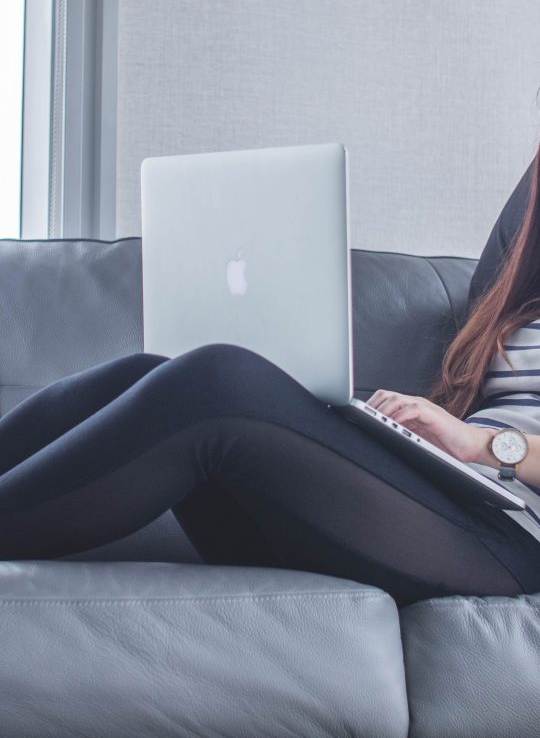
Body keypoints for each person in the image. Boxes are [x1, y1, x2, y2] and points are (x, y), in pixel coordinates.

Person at [2, 155, 540, 608]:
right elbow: (502, 280)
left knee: (218, 383)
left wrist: (487, 445)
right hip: (460, 493)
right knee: (152, 372)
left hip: (513, 543)